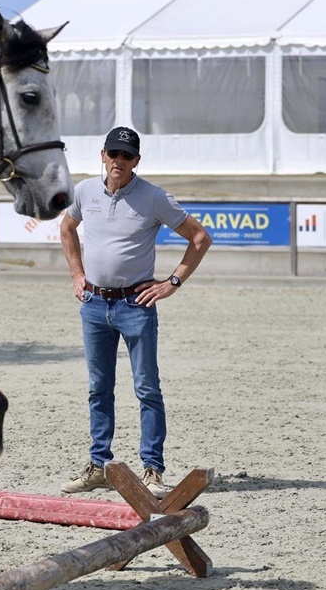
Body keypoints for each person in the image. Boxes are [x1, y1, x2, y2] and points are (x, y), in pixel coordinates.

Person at [59, 127, 212, 499]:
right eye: (113, 153)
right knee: (98, 388)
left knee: (146, 388)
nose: (119, 161)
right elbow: (67, 228)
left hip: (136, 305)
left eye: (126, 156)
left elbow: (200, 238)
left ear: (136, 161)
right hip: (94, 304)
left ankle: (152, 470)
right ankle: (99, 466)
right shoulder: (84, 191)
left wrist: (172, 282)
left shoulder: (154, 197)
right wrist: (77, 274)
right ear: (103, 155)